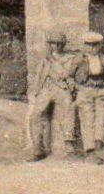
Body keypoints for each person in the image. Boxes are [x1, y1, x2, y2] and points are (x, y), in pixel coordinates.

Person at [26, 29, 79, 162]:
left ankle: (69, 145)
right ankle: (38, 149)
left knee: (69, 107)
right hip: (47, 88)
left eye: (57, 43)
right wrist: (35, 92)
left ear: (62, 45)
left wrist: (71, 88)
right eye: (52, 44)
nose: (54, 46)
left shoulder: (70, 59)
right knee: (36, 114)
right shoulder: (46, 60)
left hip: (62, 88)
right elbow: (38, 76)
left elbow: (71, 76)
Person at [71, 31, 104, 164]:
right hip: (84, 92)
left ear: (100, 46)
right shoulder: (79, 59)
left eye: (95, 45)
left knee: (100, 118)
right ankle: (89, 149)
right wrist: (76, 88)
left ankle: (98, 147)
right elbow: (69, 76)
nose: (92, 48)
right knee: (87, 119)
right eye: (88, 45)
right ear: (84, 46)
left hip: (101, 92)